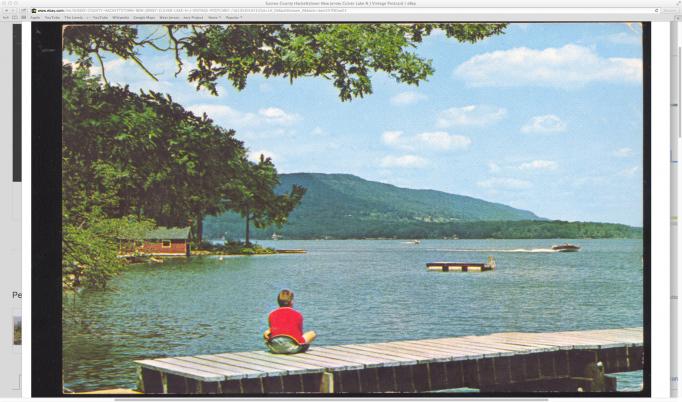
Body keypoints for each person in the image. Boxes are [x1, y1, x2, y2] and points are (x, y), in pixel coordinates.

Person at [263, 289, 316, 354]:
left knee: (267, 332)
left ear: (278, 302)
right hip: (293, 348)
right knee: (312, 333)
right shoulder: (298, 314)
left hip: (274, 348)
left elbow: (273, 331)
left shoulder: (271, 314)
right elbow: (299, 334)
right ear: (291, 302)